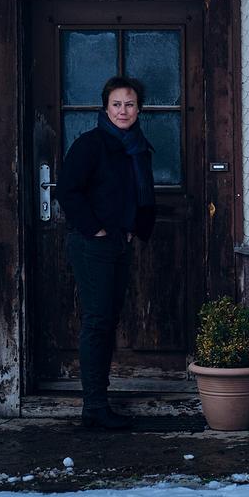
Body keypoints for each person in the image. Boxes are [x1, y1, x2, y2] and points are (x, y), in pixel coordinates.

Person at [57, 76, 156, 430]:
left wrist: (130, 228)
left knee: (108, 319)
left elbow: (136, 193)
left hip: (118, 242)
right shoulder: (91, 145)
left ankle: (99, 401)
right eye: (116, 104)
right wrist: (96, 229)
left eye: (129, 104)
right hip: (92, 244)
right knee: (97, 322)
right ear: (105, 107)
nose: (123, 110)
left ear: (139, 108)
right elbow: (68, 190)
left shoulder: (136, 145)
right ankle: (94, 407)